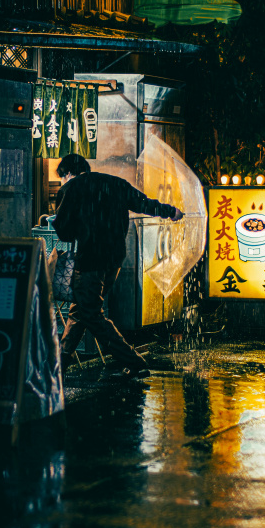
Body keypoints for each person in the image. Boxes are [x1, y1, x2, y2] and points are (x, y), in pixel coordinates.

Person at [52, 153, 183, 379]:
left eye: (63, 177)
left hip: (89, 260)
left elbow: (63, 231)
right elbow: (143, 204)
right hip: (113, 260)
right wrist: (170, 211)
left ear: (68, 173)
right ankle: (59, 362)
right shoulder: (115, 183)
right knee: (82, 309)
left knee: (91, 314)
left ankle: (133, 361)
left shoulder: (72, 189)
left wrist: (71, 224)